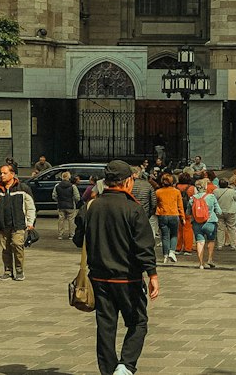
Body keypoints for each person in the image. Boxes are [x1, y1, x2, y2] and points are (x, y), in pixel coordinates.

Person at [75, 158, 158, 375]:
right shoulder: (133, 209)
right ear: (128, 181)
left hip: (99, 279)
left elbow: (77, 240)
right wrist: (152, 274)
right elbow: (144, 246)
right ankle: (126, 365)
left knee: (105, 327)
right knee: (138, 322)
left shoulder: (90, 206)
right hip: (127, 278)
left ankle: (108, 370)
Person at [0, 159, 36, 281]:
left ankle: (19, 270)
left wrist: (30, 223)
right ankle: (8, 271)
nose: (2, 175)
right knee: (6, 249)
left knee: (18, 245)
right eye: (1, 173)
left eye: (4, 173)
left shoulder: (23, 188)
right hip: (3, 224)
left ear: (12, 174)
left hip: (18, 224)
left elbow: (31, 207)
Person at [188, 174, 221, 269]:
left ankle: (201, 263)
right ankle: (210, 259)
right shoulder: (211, 197)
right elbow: (219, 211)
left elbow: (188, 212)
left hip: (197, 223)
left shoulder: (192, 199)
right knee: (211, 240)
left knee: (200, 242)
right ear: (205, 187)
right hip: (210, 222)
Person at [154, 171, 185, 263]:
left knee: (165, 236)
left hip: (162, 215)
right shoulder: (176, 192)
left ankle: (165, 255)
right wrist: (182, 217)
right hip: (174, 214)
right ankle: (172, 251)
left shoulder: (158, 192)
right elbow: (180, 206)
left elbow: (156, 204)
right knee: (174, 234)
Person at [55, 170, 81, 241]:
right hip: (71, 205)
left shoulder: (57, 186)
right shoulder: (73, 186)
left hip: (61, 205)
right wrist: (75, 202)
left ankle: (60, 235)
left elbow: (54, 196)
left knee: (61, 220)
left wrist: (59, 200)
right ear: (69, 177)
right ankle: (71, 235)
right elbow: (77, 197)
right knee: (71, 220)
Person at [216, 174, 236, 250]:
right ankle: (233, 244)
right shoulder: (232, 191)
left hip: (220, 211)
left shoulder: (215, 191)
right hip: (231, 211)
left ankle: (220, 245)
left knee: (220, 229)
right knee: (232, 228)